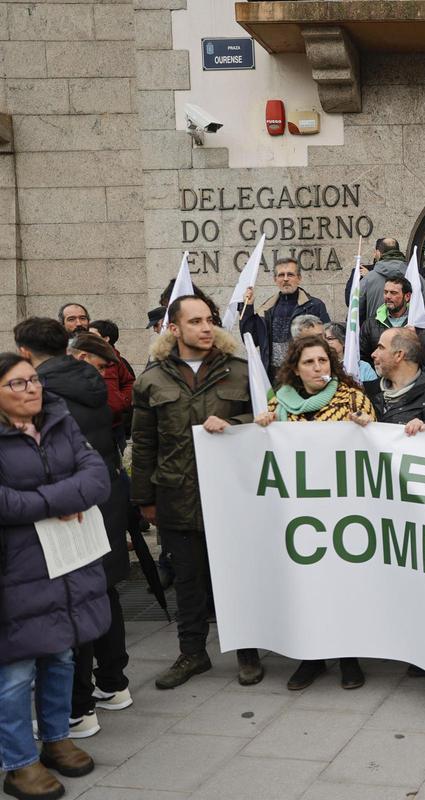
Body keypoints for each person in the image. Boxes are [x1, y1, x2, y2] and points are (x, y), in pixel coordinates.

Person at [131, 295, 264, 690]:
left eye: (210, 320)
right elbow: (143, 443)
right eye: (195, 322)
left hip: (232, 498)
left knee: (237, 577)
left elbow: (267, 423)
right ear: (174, 329)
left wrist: (234, 421)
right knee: (188, 581)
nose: (206, 328)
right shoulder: (151, 380)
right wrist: (145, 500)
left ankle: (248, 653)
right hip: (176, 496)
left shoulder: (240, 372)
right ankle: (192, 653)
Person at [13, 319, 131, 739]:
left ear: (25, 353)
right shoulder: (92, 381)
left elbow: (66, 463)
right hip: (100, 505)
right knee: (102, 591)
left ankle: (77, 710)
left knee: (70, 606)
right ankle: (114, 685)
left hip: (71, 513)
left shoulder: (50, 398)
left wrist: (57, 499)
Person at [0, 352, 110, 800]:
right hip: (16, 567)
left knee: (62, 656)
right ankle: (19, 763)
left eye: (33, 381)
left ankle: (56, 739)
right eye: (18, 384)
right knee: (15, 670)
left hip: (66, 561)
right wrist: (57, 502)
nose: (32, 390)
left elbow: (97, 477)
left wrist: (51, 499)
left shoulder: (61, 421)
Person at [254, 336, 374, 691]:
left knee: (342, 584)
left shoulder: (351, 397)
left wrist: (364, 424)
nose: (318, 367)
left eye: (323, 360)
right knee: (306, 585)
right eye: (309, 362)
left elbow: (374, 437)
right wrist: (261, 425)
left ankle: (349, 656)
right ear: (295, 368)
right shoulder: (279, 403)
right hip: (298, 511)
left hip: (341, 510)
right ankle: (312, 657)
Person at [240, 259, 331, 375]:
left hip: (303, 375)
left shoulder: (315, 306)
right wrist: (247, 307)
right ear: (275, 280)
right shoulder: (266, 309)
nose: (286, 279)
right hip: (273, 378)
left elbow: (326, 342)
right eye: (281, 275)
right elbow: (251, 340)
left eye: (290, 275)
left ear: (299, 278)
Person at [370, 328, 425, 430]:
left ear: (399, 355)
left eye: (381, 347)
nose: (373, 354)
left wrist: (424, 431)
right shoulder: (368, 392)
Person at [357, 239, 425, 328]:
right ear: (398, 251)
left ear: (378, 253)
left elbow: (355, 311)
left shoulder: (368, 279)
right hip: (409, 334)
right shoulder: (415, 277)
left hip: (376, 335)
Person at [361, 276, 413, 361]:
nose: (388, 296)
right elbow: (362, 357)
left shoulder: (417, 322)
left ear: (407, 296)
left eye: (393, 293)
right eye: (385, 292)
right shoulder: (370, 324)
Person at [322, 321, 379, 392]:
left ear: (344, 341)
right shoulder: (321, 367)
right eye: (322, 340)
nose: (325, 343)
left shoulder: (363, 367)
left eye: (329, 339)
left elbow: (374, 395)